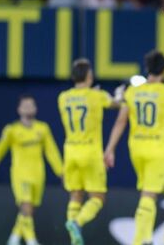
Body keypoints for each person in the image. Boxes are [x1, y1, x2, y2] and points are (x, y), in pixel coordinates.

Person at [104, 50, 164, 245]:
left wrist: (110, 148)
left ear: (147, 68)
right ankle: (140, 240)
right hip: (157, 149)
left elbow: (120, 122)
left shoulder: (133, 92)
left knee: (145, 192)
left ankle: (146, 238)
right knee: (149, 195)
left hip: (136, 148)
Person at [58, 58, 122, 245]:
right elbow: (116, 104)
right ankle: (77, 223)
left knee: (75, 195)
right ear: (90, 76)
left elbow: (80, 101)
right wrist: (118, 94)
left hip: (70, 153)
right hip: (91, 153)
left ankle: (73, 239)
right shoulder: (97, 96)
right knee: (98, 197)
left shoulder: (62, 98)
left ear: (72, 76)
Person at [0, 95, 63, 245]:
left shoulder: (43, 129)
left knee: (28, 211)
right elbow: (0, 148)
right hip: (20, 174)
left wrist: (61, 171)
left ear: (36, 108)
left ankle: (14, 238)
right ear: (19, 109)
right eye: (25, 105)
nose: (28, 108)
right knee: (26, 206)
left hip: (38, 175)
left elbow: (51, 151)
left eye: (31, 105)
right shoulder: (11, 130)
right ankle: (31, 240)